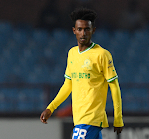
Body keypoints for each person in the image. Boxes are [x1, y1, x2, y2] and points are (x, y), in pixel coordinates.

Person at [40, 7, 124, 139]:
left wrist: (118, 118)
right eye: (80, 29)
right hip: (79, 118)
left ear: (93, 30)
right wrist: (51, 108)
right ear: (74, 31)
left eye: (87, 29)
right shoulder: (72, 53)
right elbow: (68, 85)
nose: (83, 33)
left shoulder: (102, 54)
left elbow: (114, 86)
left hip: (91, 118)